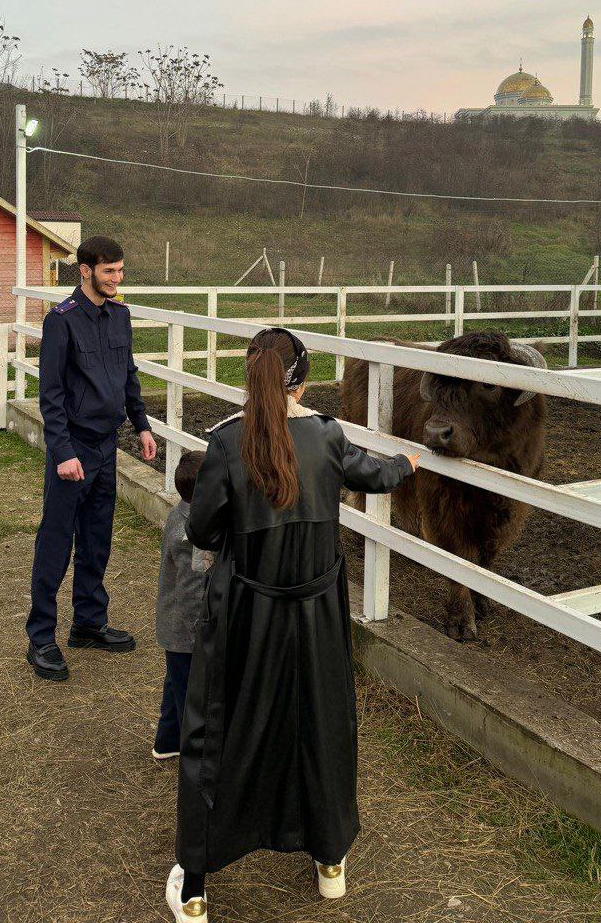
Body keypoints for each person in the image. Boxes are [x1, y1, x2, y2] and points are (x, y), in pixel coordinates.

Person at [165, 328, 418, 922]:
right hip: (316, 612)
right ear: (303, 380)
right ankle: (330, 862)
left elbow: (202, 531)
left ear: (248, 376)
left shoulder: (226, 444)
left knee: (219, 730)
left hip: (247, 612)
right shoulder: (326, 435)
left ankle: (197, 889)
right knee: (321, 721)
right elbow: (370, 474)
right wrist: (406, 465)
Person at [25, 235, 157, 681]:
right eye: (108, 272)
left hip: (107, 445)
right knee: (57, 541)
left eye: (120, 271)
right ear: (85, 270)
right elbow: (51, 393)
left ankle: (88, 622)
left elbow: (129, 374)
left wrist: (141, 425)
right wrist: (61, 451)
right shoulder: (60, 322)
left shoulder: (120, 316)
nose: (117, 280)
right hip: (73, 449)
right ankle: (41, 637)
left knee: (97, 538)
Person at [152, 449, 209, 762]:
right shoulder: (190, 531)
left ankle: (167, 741)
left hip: (173, 624)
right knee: (190, 693)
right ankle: (196, 756)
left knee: (175, 685)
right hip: (186, 629)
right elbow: (201, 573)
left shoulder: (179, 514)